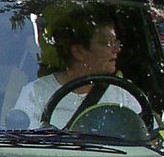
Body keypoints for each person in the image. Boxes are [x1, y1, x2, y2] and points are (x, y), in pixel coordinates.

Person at [14, 9, 142, 127]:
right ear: (79, 51)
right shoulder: (36, 93)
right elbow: (27, 141)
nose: (116, 49)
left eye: (116, 43)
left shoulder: (123, 94)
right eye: (107, 43)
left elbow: (148, 137)